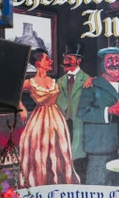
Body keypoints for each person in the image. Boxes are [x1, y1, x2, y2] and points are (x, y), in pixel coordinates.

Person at [17, 48, 80, 186]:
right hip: (40, 120)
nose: (51, 61)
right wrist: (21, 108)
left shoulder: (53, 81)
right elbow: (12, 91)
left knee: (59, 150)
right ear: (38, 63)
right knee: (41, 150)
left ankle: (60, 183)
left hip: (57, 118)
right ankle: (40, 184)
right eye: (47, 59)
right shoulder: (30, 82)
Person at [76, 47, 119, 185]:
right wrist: (108, 111)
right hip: (99, 145)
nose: (114, 63)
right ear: (103, 64)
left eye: (117, 59)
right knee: (98, 187)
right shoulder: (92, 85)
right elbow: (82, 111)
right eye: (109, 60)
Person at [56, 44, 92, 179]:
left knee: (78, 159)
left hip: (80, 125)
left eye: (70, 59)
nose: (66, 62)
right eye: (65, 59)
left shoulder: (88, 80)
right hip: (63, 124)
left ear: (79, 61)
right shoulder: (59, 82)